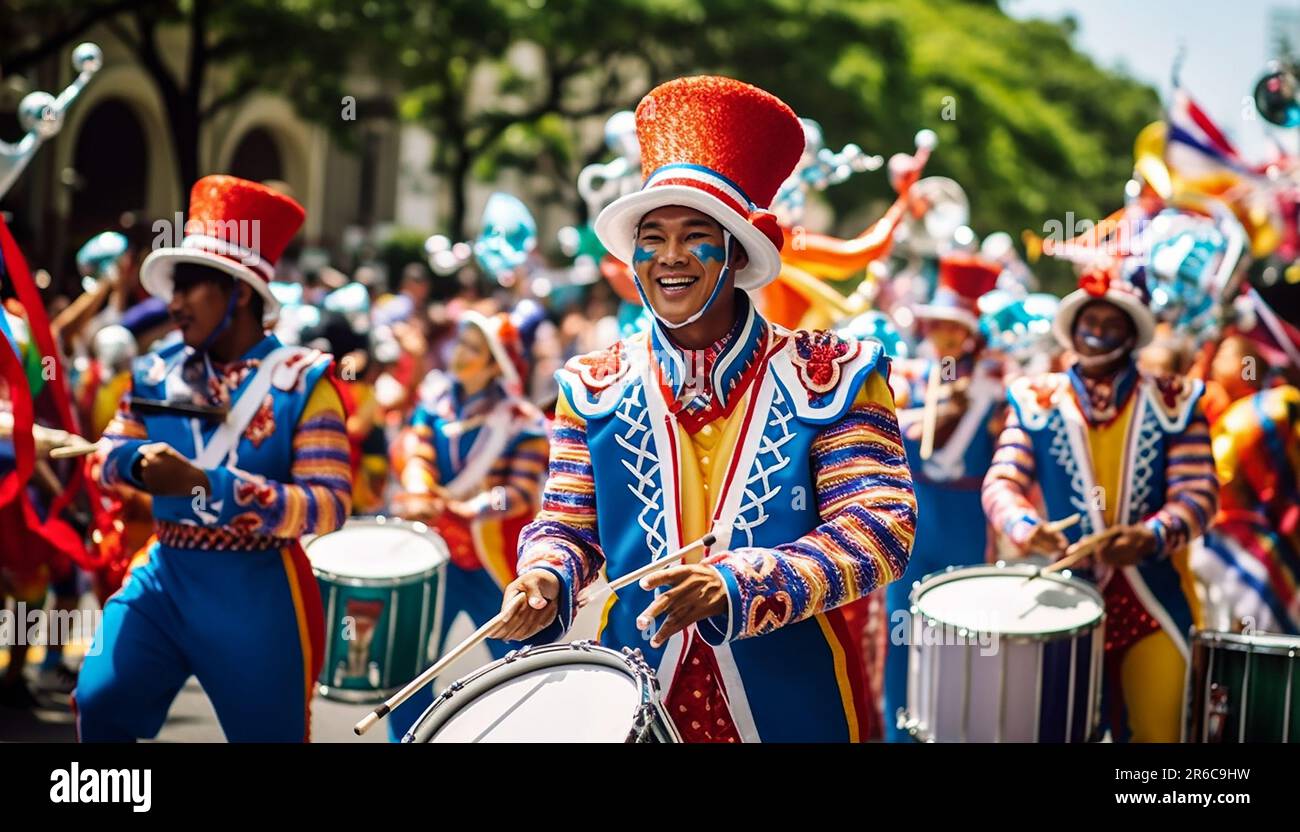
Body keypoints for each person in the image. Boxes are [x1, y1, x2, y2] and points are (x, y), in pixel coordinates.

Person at [491, 75, 917, 742]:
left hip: (792, 699)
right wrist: (543, 576)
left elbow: (880, 527)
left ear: (738, 251)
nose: (669, 257)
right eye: (651, 237)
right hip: (630, 699)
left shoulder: (834, 372)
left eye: (696, 236)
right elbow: (569, 524)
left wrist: (743, 583)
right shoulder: (593, 384)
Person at [74, 176, 353, 741]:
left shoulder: (302, 381)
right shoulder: (156, 369)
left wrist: (209, 484)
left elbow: (328, 506)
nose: (172, 305)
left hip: (258, 588)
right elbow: (101, 453)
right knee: (100, 700)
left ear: (240, 292)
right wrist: (133, 466)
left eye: (190, 288)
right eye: (172, 290)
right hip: (165, 574)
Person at [982, 262, 1219, 742]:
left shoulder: (1176, 399)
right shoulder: (1036, 399)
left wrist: (1150, 535)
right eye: (1090, 322)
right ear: (1073, 328)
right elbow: (1001, 482)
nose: (1098, 334)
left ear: (1132, 334)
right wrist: (1030, 528)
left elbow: (1199, 495)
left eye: (1112, 324)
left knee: (1161, 733)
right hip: (1062, 600)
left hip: (1152, 598)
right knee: (1056, 731)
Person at [387, 310, 548, 740]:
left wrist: (469, 507)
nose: (460, 354)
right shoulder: (435, 403)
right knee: (410, 670)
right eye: (461, 343)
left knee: (521, 668)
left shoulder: (522, 422)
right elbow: (416, 451)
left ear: (496, 362)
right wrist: (419, 486)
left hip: (494, 566)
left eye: (474, 349)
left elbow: (523, 491)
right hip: (435, 559)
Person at [882, 252, 1004, 741]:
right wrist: (929, 417)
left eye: (954, 329)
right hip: (915, 517)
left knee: (963, 627)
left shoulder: (996, 386)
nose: (944, 338)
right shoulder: (911, 377)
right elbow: (886, 430)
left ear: (971, 333)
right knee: (901, 624)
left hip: (965, 518)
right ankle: (897, 732)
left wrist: (977, 406)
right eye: (937, 328)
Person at [1192, 334, 1300, 634]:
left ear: (1248, 364)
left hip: (1269, 542)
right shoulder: (1226, 413)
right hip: (1229, 545)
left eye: (1226, 354)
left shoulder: (1276, 405)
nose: (1216, 363)